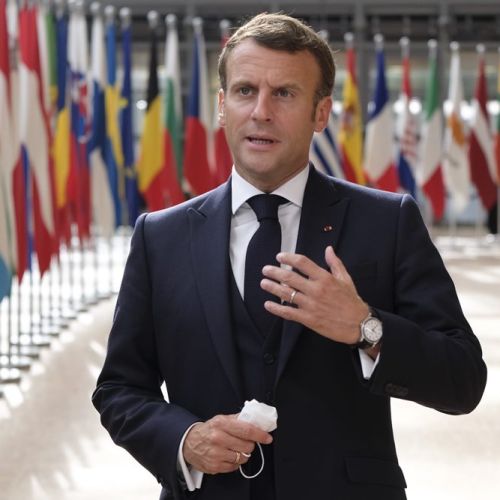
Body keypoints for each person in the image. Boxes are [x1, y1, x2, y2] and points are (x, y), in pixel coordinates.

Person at [92, 13, 487, 500]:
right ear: (222, 106)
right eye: (245, 91)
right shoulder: (160, 236)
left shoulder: (388, 222)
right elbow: (119, 389)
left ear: (321, 113)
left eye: (284, 93)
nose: (261, 111)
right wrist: (185, 440)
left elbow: (463, 380)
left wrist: (364, 327)